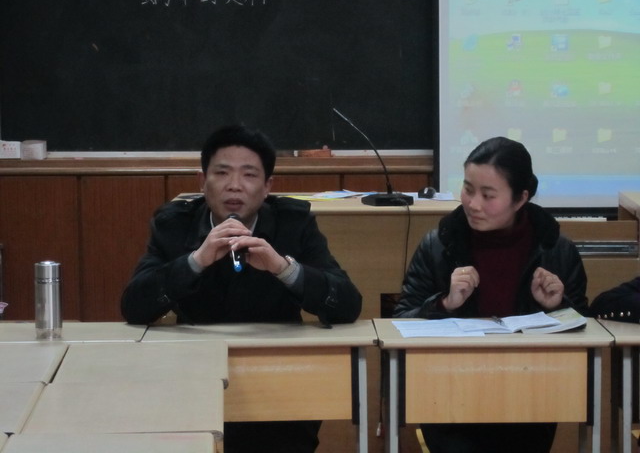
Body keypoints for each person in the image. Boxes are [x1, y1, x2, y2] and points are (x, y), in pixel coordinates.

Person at [121, 125, 362, 453]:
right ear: (202, 181)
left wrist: (283, 268)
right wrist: (195, 261)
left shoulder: (293, 224)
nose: (234, 185)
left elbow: (347, 304)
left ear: (267, 186)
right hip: (195, 374)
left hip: (279, 377)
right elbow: (134, 307)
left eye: (249, 175)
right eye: (222, 173)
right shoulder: (174, 225)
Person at [394, 136, 588, 453]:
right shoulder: (438, 245)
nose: (473, 204)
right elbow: (400, 321)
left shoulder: (556, 251)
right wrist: (444, 304)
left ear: (520, 198)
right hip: (449, 399)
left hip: (530, 402)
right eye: (468, 189)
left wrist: (558, 307)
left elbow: (585, 335)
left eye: (488, 195)